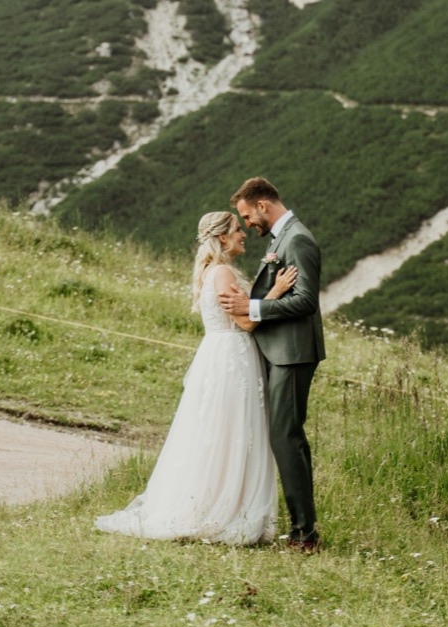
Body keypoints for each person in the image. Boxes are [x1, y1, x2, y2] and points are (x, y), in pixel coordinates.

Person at [94, 210, 296, 544]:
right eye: (236, 229)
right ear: (222, 238)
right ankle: (223, 511)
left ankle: (222, 505)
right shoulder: (223, 274)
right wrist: (275, 292)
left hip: (220, 356)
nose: (243, 233)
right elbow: (246, 323)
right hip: (232, 357)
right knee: (232, 431)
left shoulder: (213, 271)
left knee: (219, 431)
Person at [218, 176, 325, 552]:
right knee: (283, 436)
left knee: (287, 437)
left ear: (263, 205)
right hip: (279, 350)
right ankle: (299, 528)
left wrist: (254, 307)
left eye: (247, 216)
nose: (247, 224)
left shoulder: (297, 239)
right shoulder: (282, 238)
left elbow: (307, 301)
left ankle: (304, 534)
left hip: (293, 353)